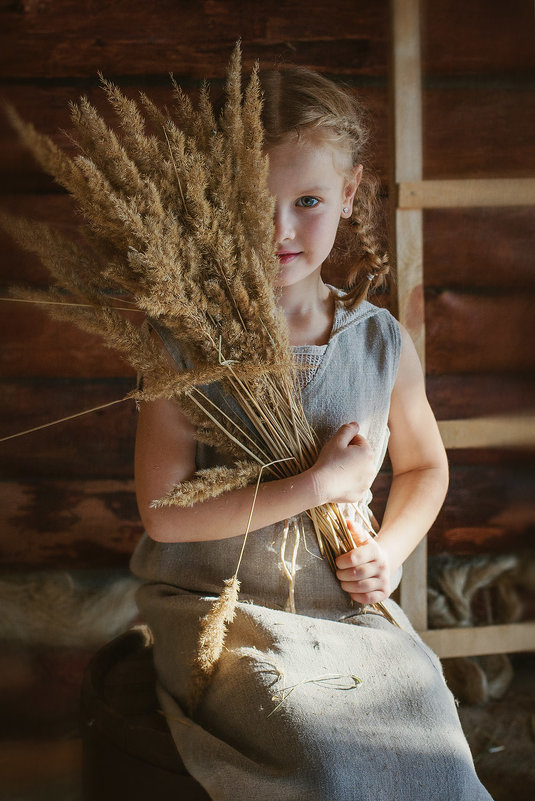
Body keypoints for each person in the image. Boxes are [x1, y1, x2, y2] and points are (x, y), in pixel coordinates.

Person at [131, 66, 492, 800]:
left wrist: (387, 553)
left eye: (307, 201)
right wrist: (315, 485)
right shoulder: (185, 343)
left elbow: (425, 468)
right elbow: (163, 516)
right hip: (223, 612)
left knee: (437, 755)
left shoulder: (378, 341)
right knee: (328, 766)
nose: (279, 230)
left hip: (345, 609)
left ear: (350, 192)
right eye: (249, 203)